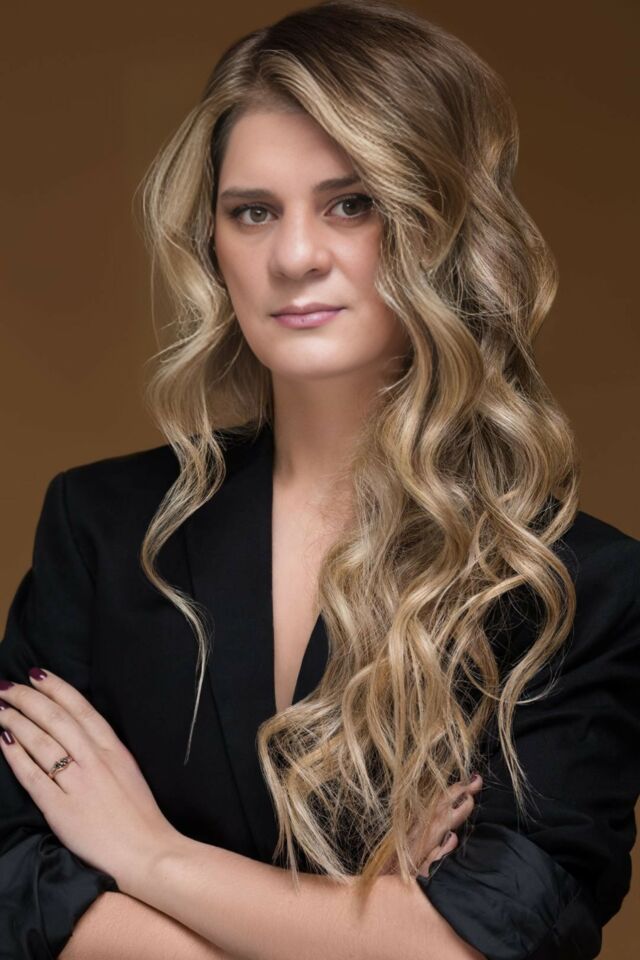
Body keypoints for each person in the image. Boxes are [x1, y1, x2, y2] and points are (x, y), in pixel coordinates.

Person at [0, 1, 638, 958]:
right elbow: (14, 876)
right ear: (213, 242)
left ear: (442, 225)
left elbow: (487, 937)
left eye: (352, 203)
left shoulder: (569, 590)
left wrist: (150, 856)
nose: (294, 257)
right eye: (252, 211)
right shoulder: (101, 527)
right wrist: (352, 923)